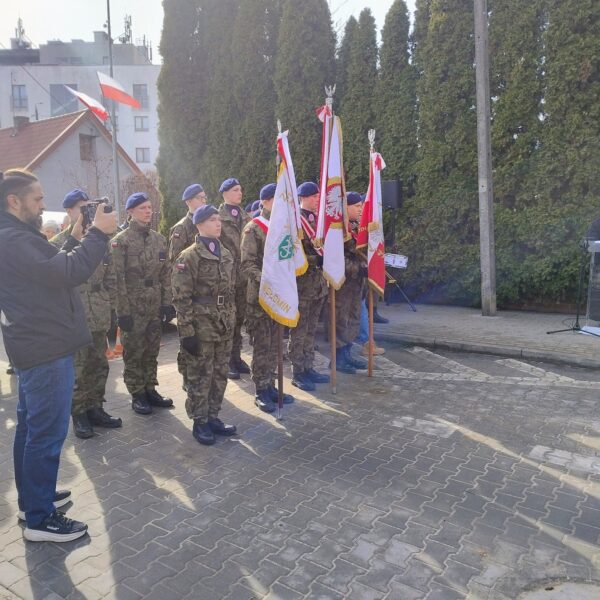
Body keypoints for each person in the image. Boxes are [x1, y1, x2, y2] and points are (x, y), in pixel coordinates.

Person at [0, 168, 117, 542]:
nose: (42, 205)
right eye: (37, 199)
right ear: (13, 201)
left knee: (31, 428)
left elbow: (51, 268)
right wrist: (98, 234)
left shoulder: (15, 235)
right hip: (44, 348)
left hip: (38, 345)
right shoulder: (12, 239)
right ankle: (40, 519)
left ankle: (32, 501)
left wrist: (79, 238)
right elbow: (69, 272)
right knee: (46, 435)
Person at [49, 189, 121, 439]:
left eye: (88, 207)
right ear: (69, 211)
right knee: (78, 369)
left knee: (99, 364)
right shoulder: (58, 243)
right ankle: (79, 414)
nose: (86, 212)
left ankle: (96, 408)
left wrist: (113, 307)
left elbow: (111, 276)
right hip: (74, 316)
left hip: (98, 312)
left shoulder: (99, 240)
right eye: (81, 208)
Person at [172, 205, 237, 445]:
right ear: (199, 225)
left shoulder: (226, 253)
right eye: (211, 220)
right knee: (201, 374)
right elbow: (181, 297)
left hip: (223, 323)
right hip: (201, 325)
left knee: (220, 373)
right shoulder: (189, 256)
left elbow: (230, 291)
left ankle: (213, 416)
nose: (218, 223)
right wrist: (187, 332)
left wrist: (232, 319)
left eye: (218, 219)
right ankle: (200, 421)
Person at [110, 192, 174, 415]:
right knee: (134, 350)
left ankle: (150, 388)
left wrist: (167, 303)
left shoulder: (159, 239)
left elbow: (165, 273)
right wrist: (122, 312)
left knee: (152, 348)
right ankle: (137, 393)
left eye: (149, 207)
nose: (147, 211)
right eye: (142, 208)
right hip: (133, 303)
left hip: (153, 302)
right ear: (130, 212)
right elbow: (117, 279)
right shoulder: (121, 241)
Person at [241, 183, 294, 413]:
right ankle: (261, 389)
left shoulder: (282, 227)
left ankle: (271, 385)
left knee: (275, 345)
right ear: (265, 201)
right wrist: (268, 280)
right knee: (262, 345)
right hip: (261, 299)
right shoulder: (254, 228)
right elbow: (247, 264)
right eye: (277, 200)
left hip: (278, 296)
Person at [289, 182, 330, 392]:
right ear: (303, 198)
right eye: (313, 196)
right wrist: (317, 260)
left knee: (311, 330)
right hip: (302, 287)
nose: (317, 199)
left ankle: (308, 366)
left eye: (318, 196)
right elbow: (295, 254)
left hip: (318, 286)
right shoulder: (296, 221)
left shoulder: (317, 220)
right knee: (300, 330)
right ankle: (298, 371)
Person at [168, 183, 208, 390]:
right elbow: (175, 262)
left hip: (204, 290)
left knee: (202, 336)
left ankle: (201, 376)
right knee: (188, 334)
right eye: (200, 197)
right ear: (189, 201)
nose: (204, 200)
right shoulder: (181, 228)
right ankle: (187, 376)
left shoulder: (207, 223)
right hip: (187, 290)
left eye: (205, 197)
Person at [217, 178, 251, 379]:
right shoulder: (217, 218)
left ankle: (236, 357)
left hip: (243, 278)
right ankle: (226, 361)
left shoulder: (246, 217)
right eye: (235, 190)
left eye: (240, 189)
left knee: (239, 320)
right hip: (226, 278)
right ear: (225, 193)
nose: (240, 193)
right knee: (227, 321)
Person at [334, 191, 369, 374]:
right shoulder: (339, 230)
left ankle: (346, 353)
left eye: (361, 205)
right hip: (344, 285)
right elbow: (336, 259)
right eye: (356, 206)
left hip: (356, 285)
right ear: (345, 207)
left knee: (354, 319)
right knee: (342, 321)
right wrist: (359, 269)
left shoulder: (355, 228)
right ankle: (338, 358)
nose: (360, 209)